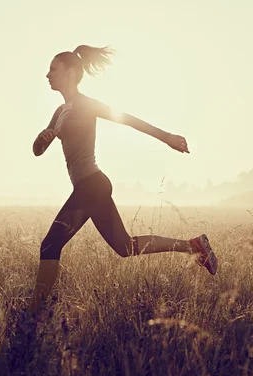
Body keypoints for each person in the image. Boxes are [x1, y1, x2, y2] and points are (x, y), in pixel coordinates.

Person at [28, 45, 218, 315]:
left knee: (50, 244)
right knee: (125, 247)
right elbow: (38, 150)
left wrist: (167, 137)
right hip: (89, 187)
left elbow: (128, 119)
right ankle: (193, 246)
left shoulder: (86, 105)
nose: (47, 75)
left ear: (70, 73)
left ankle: (35, 311)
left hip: (91, 186)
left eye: (53, 69)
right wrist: (40, 140)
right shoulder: (60, 111)